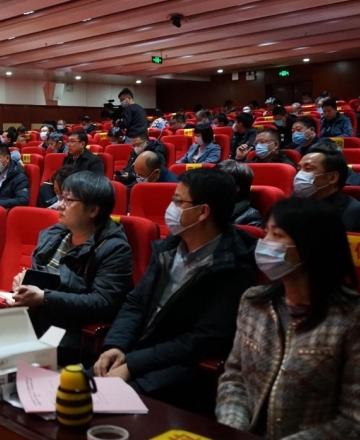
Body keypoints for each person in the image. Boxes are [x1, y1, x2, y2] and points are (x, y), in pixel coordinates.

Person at [93, 168, 258, 413]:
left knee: (98, 408)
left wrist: (133, 365)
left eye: (178, 202)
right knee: (71, 389)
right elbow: (136, 304)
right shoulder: (168, 248)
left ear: (203, 212)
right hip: (135, 352)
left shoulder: (235, 265)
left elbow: (201, 339)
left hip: (180, 369)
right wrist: (115, 346)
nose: (170, 208)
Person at [216, 198, 360, 439]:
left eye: (277, 235)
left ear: (311, 247)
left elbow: (358, 421)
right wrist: (235, 429)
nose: (265, 243)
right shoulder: (254, 301)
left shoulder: (357, 317)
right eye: (266, 233)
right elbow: (234, 378)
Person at [9, 172, 133, 365]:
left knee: (11, 363)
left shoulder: (114, 248)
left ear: (92, 210)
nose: (59, 205)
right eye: (61, 197)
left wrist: (43, 297)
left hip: (67, 332)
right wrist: (24, 283)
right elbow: (41, 276)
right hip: (33, 319)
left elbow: (103, 302)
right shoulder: (55, 234)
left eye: (68, 200)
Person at [295, 148, 360, 233]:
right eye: (299, 169)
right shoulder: (292, 207)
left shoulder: (359, 213)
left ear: (332, 177)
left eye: (307, 169)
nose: (299, 175)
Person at [214, 160, 263, 228]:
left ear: (235, 188)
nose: (211, 186)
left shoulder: (251, 218)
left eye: (216, 183)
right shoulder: (210, 208)